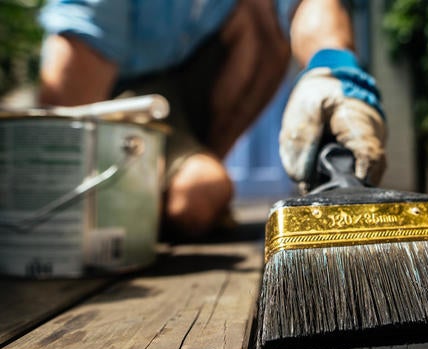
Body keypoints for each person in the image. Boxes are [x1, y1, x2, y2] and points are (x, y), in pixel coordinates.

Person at [38, 0, 387, 236]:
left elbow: (312, 6)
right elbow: (70, 86)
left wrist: (335, 71)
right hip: (122, 96)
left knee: (262, 16)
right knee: (201, 193)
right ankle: (177, 196)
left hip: (183, 85)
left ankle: (195, 171)